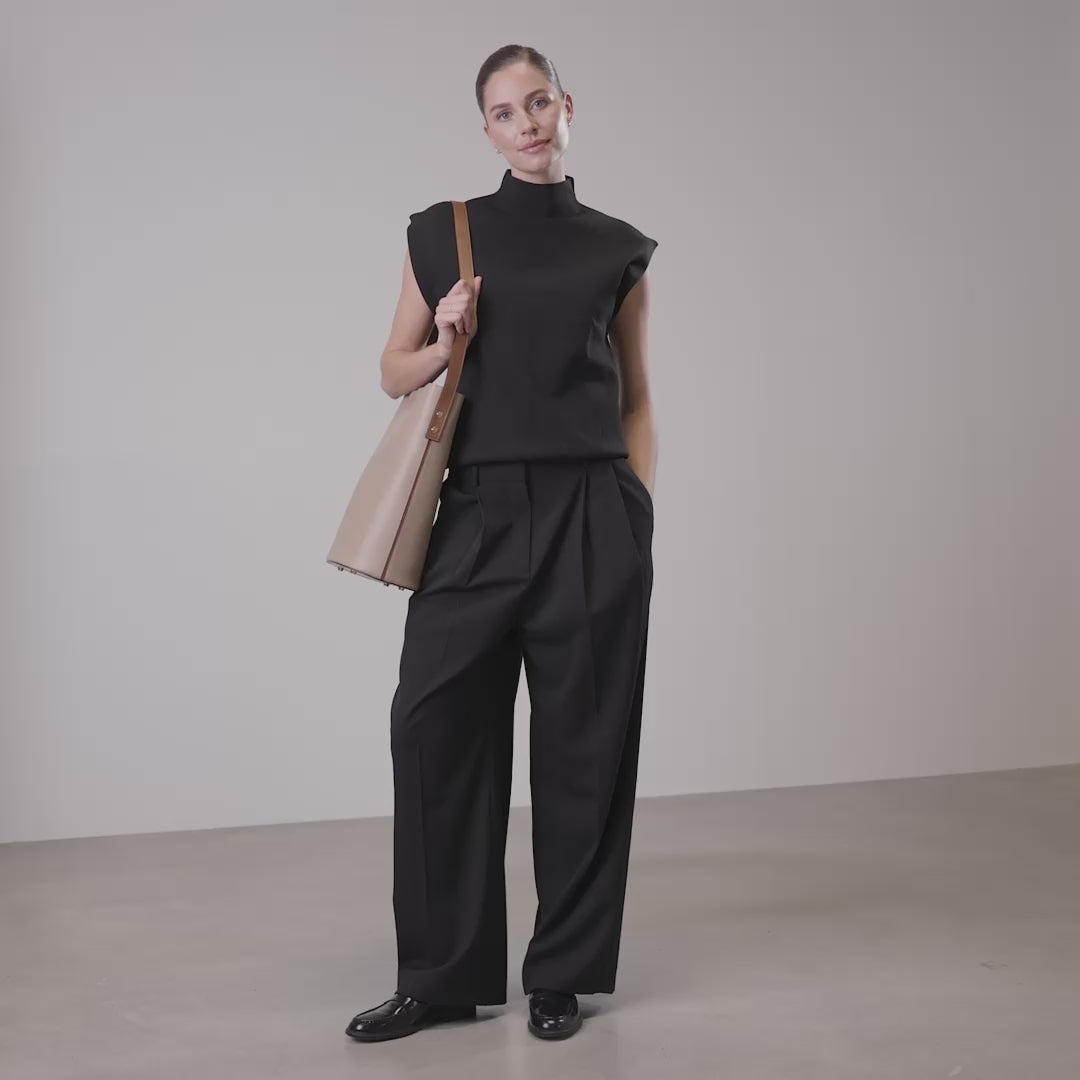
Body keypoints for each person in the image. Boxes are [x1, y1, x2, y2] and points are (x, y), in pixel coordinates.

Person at [346, 43, 658, 1044]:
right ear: (485, 130)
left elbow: (637, 398)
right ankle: (440, 977)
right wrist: (444, 339)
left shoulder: (618, 249)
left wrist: (636, 515)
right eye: (503, 112)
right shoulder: (443, 233)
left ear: (567, 107)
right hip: (476, 513)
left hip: (591, 514)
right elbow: (392, 370)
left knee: (585, 748)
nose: (525, 123)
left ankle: (562, 971)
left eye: (537, 103)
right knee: (431, 727)